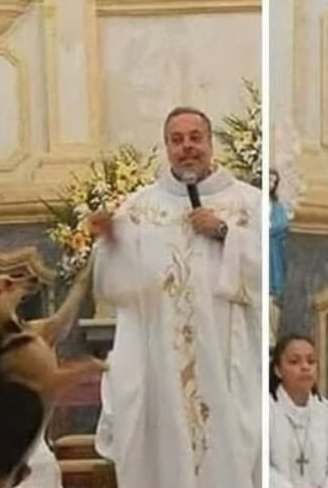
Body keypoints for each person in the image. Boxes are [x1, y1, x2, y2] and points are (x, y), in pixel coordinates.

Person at [90, 106, 261, 488]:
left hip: (225, 357)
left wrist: (223, 231)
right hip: (161, 368)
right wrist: (112, 242)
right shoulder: (140, 207)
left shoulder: (247, 203)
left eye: (195, 138)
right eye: (177, 140)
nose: (187, 148)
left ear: (210, 143)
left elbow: (269, 275)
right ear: (167, 147)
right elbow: (117, 286)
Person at [269, 333, 328, 488]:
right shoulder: (266, 410)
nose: (305, 367)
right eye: (294, 361)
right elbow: (260, 465)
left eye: (311, 361)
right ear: (278, 370)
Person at [269, 169, 289, 346]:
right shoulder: (255, 201)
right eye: (269, 180)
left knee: (275, 297)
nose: (271, 184)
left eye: (274, 181)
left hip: (275, 253)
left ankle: (273, 338)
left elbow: (283, 225)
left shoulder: (277, 206)